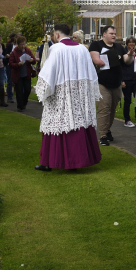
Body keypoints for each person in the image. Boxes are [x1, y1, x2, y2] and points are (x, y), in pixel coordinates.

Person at [34, 23, 101, 172]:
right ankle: (76, 162)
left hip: (61, 95)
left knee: (56, 125)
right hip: (78, 94)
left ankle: (49, 162)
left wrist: (43, 91)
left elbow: (48, 74)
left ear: (57, 35)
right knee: (78, 123)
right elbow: (91, 74)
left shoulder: (56, 49)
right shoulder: (82, 49)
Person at [89, 25, 132, 145]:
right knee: (104, 108)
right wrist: (109, 59)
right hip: (102, 82)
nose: (114, 35)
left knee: (112, 109)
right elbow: (97, 60)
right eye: (111, 33)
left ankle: (107, 130)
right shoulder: (96, 45)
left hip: (116, 83)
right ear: (104, 34)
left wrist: (130, 55)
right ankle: (102, 135)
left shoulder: (119, 47)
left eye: (115, 33)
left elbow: (126, 61)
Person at [9, 35, 37, 111]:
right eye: (21, 44)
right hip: (18, 75)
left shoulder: (27, 50)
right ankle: (20, 106)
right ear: (18, 44)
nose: (23, 46)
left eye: (24, 44)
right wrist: (18, 64)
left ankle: (24, 102)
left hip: (27, 74)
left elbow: (34, 60)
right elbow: (11, 64)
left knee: (28, 90)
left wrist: (31, 60)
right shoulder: (14, 52)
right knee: (19, 91)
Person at [121, 37, 136, 128]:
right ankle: (127, 119)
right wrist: (122, 80)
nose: (131, 44)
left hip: (135, 78)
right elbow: (120, 66)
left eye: (133, 42)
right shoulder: (123, 51)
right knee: (127, 100)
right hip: (126, 79)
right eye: (129, 42)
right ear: (127, 43)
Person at [3, 33, 17, 104]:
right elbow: (5, 54)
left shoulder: (21, 47)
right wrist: (8, 55)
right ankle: (9, 97)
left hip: (18, 65)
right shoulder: (11, 45)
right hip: (10, 65)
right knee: (10, 81)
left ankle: (19, 96)